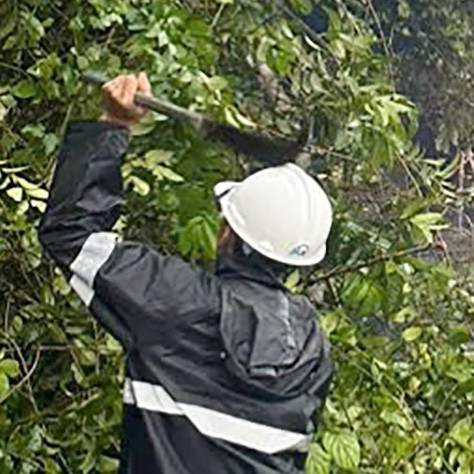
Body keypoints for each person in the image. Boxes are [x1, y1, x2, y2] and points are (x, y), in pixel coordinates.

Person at [38, 73, 334, 473]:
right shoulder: (313, 349)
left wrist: (113, 126)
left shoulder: (177, 303)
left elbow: (72, 234)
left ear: (227, 232)